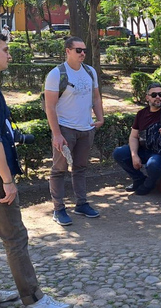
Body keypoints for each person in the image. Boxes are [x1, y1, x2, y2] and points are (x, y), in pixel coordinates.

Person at [0, 32, 70, 308]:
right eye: (4, 49)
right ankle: (34, 299)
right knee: (15, 237)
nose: (9, 54)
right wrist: (7, 180)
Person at [45, 37, 104, 226]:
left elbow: (96, 97)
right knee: (59, 170)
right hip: (65, 128)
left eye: (84, 50)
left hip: (86, 128)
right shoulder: (56, 74)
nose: (82, 53)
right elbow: (50, 107)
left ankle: (81, 204)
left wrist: (100, 117)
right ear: (67, 51)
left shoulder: (90, 71)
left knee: (80, 168)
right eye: (78, 50)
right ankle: (59, 208)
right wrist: (57, 134)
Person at [113, 82, 161, 195]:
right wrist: (134, 155)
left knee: (153, 165)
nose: (158, 97)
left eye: (160, 94)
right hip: (143, 149)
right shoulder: (141, 114)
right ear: (147, 97)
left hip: (159, 153)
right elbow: (133, 136)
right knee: (119, 153)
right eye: (154, 95)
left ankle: (148, 185)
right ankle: (138, 179)